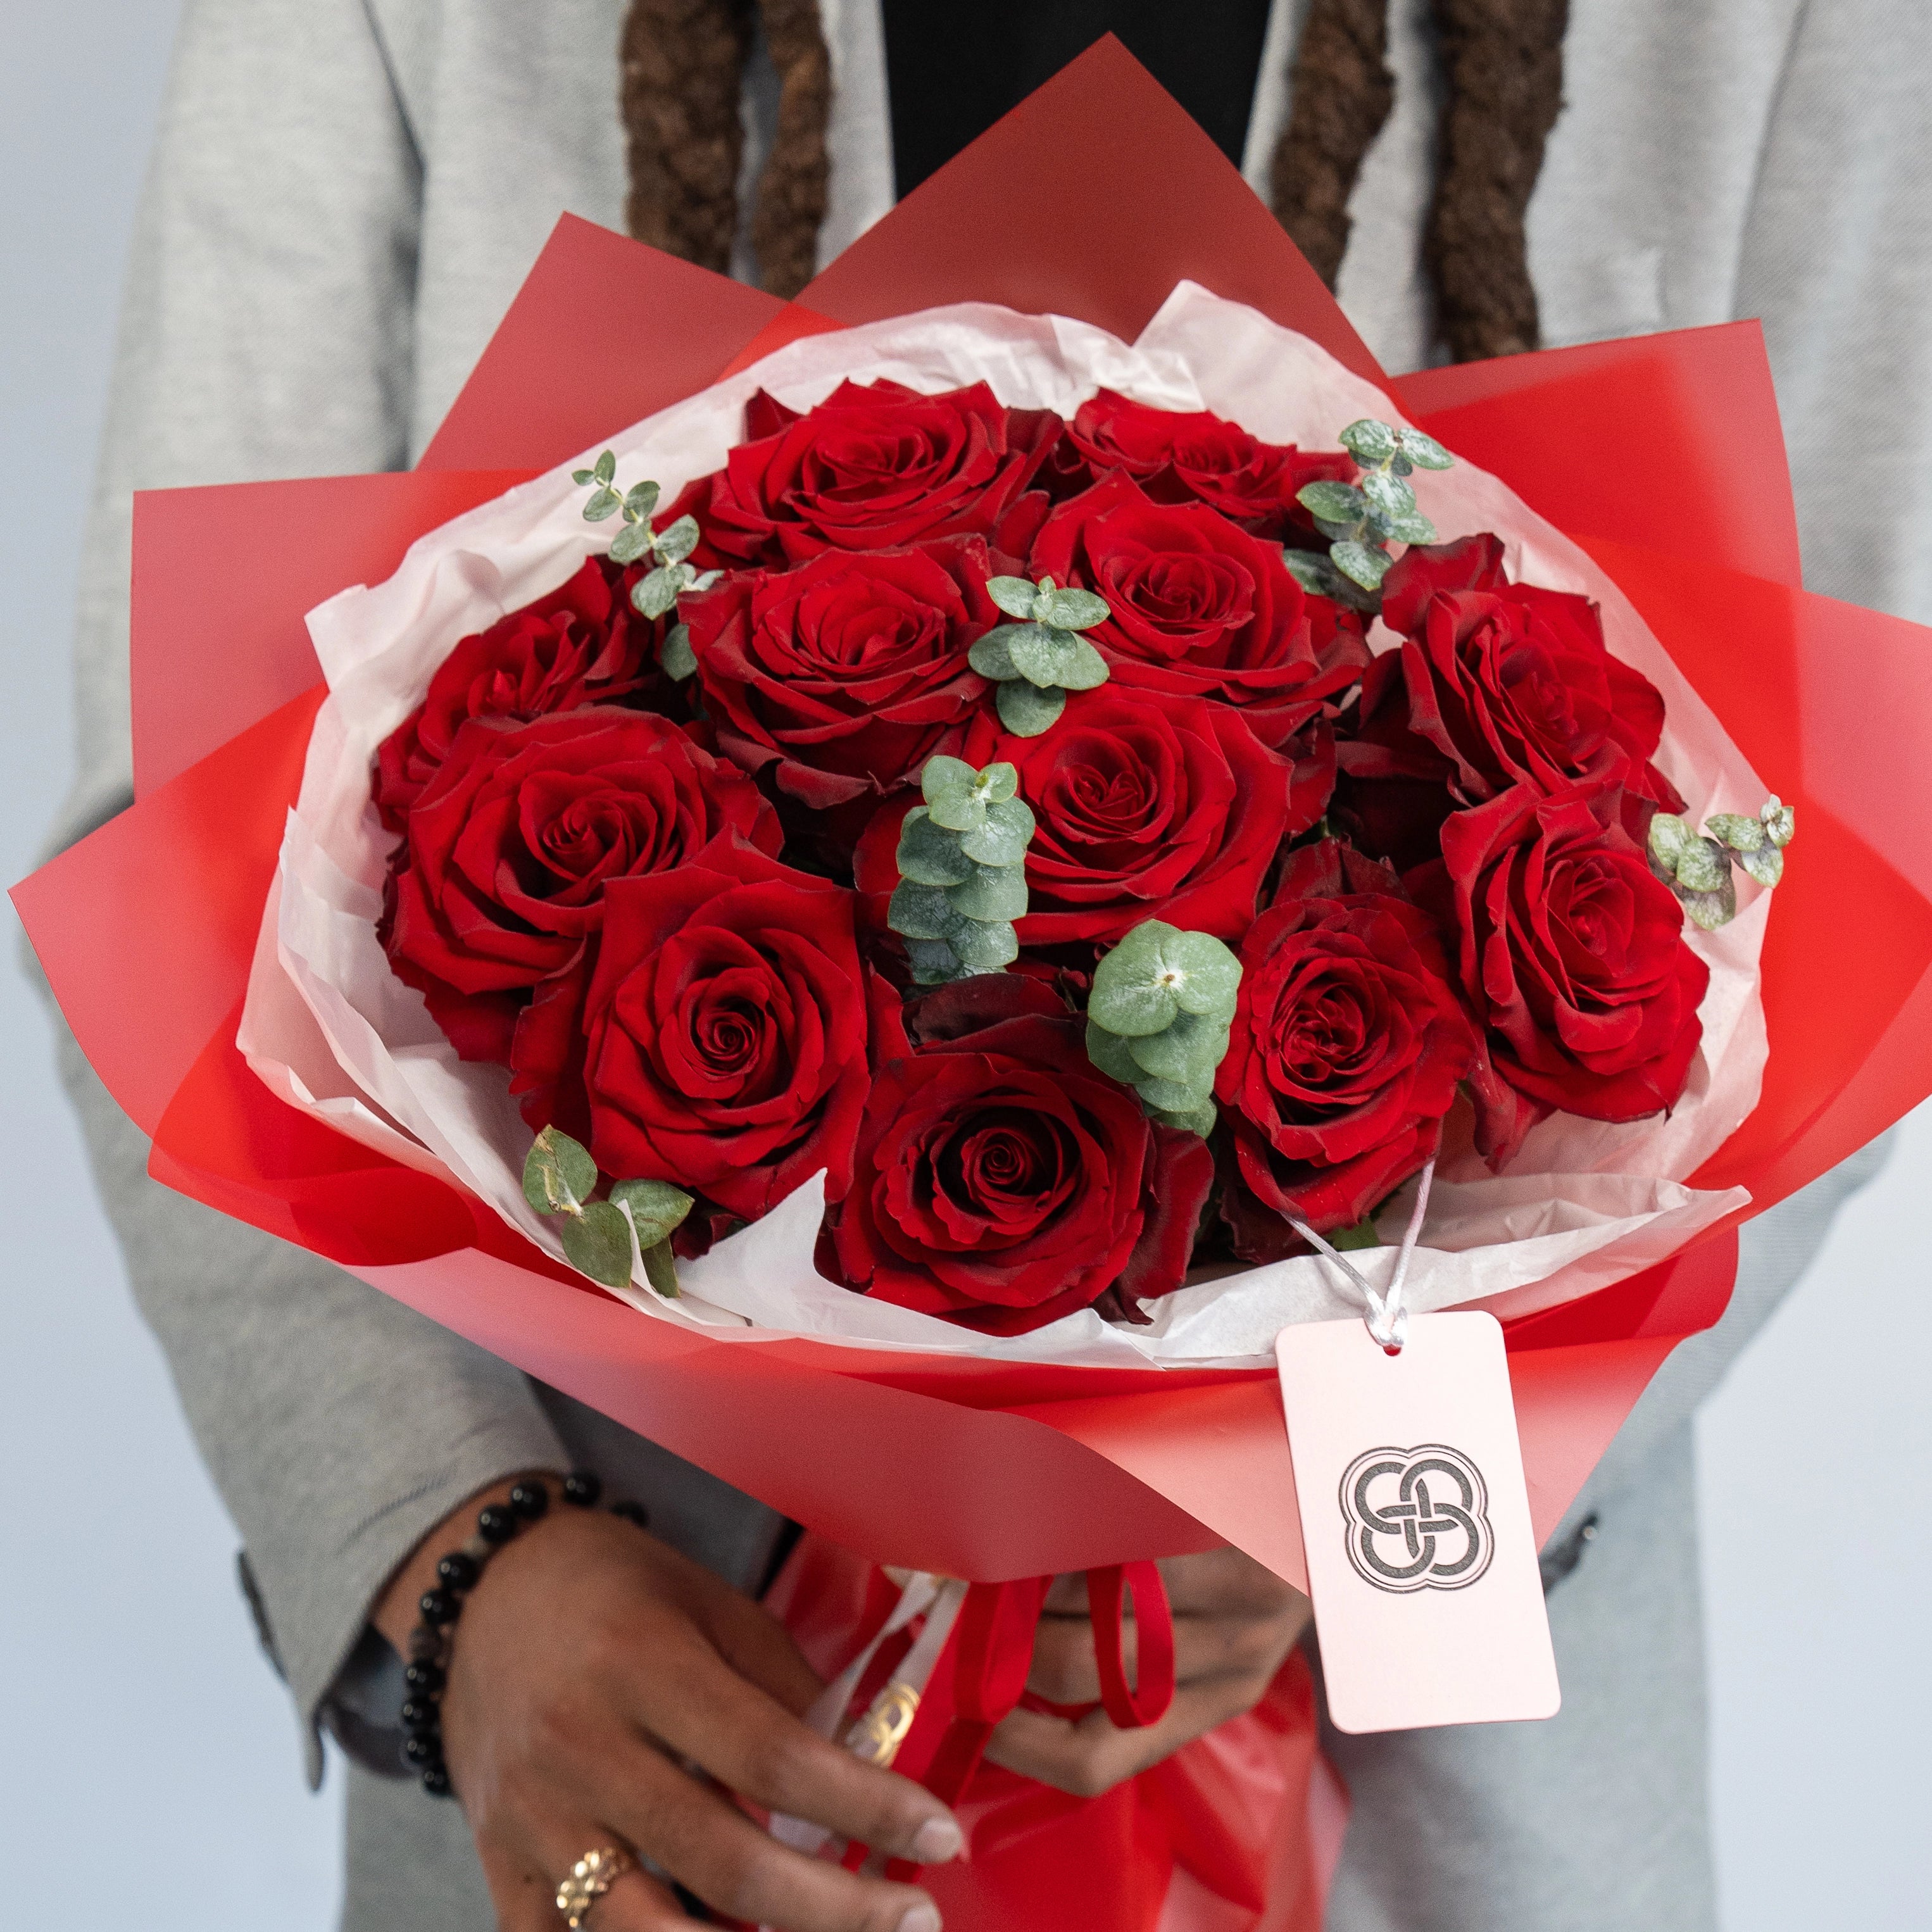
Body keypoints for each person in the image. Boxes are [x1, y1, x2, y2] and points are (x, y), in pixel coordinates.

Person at [43, 3, 1928, 1928]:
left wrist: (1369, 1505)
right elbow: (179, 841)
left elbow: (1853, 854)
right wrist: (462, 1556)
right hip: (640, 1761)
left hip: (1434, 1809)